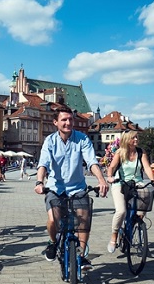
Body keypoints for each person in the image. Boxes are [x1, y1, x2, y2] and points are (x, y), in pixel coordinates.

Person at [34, 106, 108, 270]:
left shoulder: (82, 139)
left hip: (78, 188)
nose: (68, 123)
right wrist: (39, 182)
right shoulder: (50, 141)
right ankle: (53, 243)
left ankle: (81, 255)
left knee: (83, 222)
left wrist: (102, 180)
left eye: (70, 119)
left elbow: (91, 162)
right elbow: (43, 164)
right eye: (64, 120)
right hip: (55, 188)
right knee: (54, 220)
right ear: (55, 122)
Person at [105, 130, 154, 253]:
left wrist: (153, 180)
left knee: (145, 199)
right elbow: (111, 167)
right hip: (121, 183)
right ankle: (114, 235)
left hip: (137, 182)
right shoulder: (120, 153)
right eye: (134, 138)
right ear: (127, 140)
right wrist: (110, 177)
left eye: (137, 137)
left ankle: (134, 223)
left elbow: (147, 167)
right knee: (121, 211)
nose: (136, 140)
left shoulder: (140, 152)